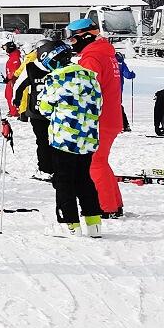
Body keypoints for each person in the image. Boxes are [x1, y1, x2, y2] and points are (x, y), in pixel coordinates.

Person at [35, 41, 105, 237]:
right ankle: (94, 224)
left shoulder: (55, 79)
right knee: (84, 179)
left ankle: (69, 225)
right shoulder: (91, 78)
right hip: (88, 138)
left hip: (64, 139)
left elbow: (44, 109)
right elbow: (98, 107)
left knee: (63, 181)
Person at [68, 17, 125, 218]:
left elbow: (87, 91)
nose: (72, 44)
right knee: (101, 161)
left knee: (94, 163)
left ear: (85, 36)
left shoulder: (92, 58)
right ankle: (114, 204)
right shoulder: (104, 53)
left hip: (99, 119)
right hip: (111, 117)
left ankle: (105, 207)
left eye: (73, 40)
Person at [13, 45, 56, 180]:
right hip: (56, 110)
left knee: (42, 141)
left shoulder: (31, 67)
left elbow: (19, 85)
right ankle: (57, 167)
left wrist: (17, 100)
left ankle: (45, 169)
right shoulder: (59, 66)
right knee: (57, 140)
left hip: (37, 111)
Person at [2, 40, 22, 108]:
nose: (5, 50)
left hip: (13, 80)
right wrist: (7, 78)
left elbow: (15, 70)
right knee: (8, 95)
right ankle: (12, 111)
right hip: (11, 79)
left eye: (6, 48)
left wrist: (10, 78)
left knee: (11, 95)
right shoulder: (12, 56)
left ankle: (14, 112)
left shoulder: (15, 58)